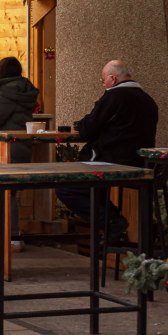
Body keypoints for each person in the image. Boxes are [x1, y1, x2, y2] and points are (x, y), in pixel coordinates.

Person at [56, 60, 158, 240]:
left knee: (65, 188)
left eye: (103, 80)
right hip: (139, 164)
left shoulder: (113, 96)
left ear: (112, 78)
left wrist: (80, 125)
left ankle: (111, 220)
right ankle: (113, 221)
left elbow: (89, 127)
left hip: (111, 163)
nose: (103, 84)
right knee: (96, 189)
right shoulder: (149, 100)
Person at [0, 56, 39, 252]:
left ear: (1, 72)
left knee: (6, 193)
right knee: (12, 193)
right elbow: (10, 111)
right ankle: (13, 237)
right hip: (22, 144)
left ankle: (11, 238)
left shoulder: (4, 91)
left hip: (6, 147)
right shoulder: (25, 89)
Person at [0, 57, 39, 163]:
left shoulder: (6, 91)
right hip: (23, 142)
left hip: (7, 145)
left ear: (2, 72)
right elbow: (12, 108)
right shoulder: (23, 88)